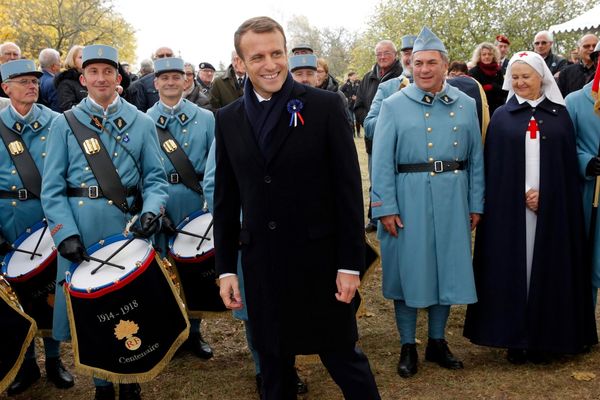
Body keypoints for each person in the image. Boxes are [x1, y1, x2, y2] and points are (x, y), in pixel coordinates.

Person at [214, 16, 380, 400]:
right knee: (273, 367)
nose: (270, 64)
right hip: (263, 266)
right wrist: (225, 269)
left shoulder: (323, 106)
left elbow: (347, 191)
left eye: (276, 53)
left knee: (343, 359)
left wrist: (349, 264)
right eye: (257, 57)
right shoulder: (227, 119)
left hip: (319, 262)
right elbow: (226, 201)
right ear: (240, 63)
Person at [41, 44, 169, 400]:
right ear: (83, 79)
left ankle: (131, 379)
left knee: (131, 305)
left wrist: (151, 213)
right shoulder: (64, 123)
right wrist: (64, 233)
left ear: (119, 79)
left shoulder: (141, 122)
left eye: (108, 72)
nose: (101, 78)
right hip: (81, 230)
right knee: (91, 312)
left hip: (126, 231)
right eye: (93, 72)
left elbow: (156, 181)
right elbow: (51, 190)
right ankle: (101, 383)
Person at [464, 51, 598, 363]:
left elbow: (566, 168)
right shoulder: (501, 117)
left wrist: (547, 194)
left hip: (552, 211)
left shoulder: (560, 116)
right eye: (516, 76)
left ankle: (546, 337)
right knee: (512, 268)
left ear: (542, 78)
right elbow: (495, 167)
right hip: (510, 211)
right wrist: (520, 193)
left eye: (527, 76)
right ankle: (514, 337)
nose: (521, 82)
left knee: (550, 266)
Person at [371, 27, 484, 379]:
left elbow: (475, 158)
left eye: (431, 63)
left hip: (453, 195)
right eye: (418, 62)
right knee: (409, 271)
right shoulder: (392, 105)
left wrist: (475, 201)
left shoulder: (465, 104)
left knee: (446, 269)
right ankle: (408, 344)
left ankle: (437, 341)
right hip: (409, 196)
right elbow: (381, 161)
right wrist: (385, 206)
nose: (423, 69)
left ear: (445, 65)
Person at [0, 59, 75, 396]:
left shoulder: (57, 122)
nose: (32, 86)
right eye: (23, 82)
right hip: (9, 216)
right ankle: (25, 362)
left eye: (34, 80)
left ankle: (55, 358)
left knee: (51, 290)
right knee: (17, 292)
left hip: (49, 214)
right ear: (6, 89)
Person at [146, 56, 214, 360]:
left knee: (194, 268)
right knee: (163, 269)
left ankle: (195, 333)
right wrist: (152, 209)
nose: (171, 82)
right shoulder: (142, 120)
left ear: (187, 81)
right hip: (159, 203)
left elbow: (216, 166)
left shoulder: (206, 118)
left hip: (194, 200)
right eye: (165, 78)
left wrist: (209, 205)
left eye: (177, 77)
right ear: (155, 83)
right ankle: (172, 334)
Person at [355, 39, 403, 233]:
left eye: (387, 53)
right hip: (372, 138)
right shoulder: (368, 77)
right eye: (379, 54)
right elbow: (358, 105)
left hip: (396, 139)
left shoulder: (402, 77)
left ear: (395, 55)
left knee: (393, 177)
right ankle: (374, 218)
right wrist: (369, 121)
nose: (382, 57)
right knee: (375, 179)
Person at [566, 42, 600, 305]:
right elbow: (565, 147)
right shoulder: (575, 101)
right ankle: (585, 322)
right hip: (589, 194)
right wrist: (585, 162)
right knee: (587, 260)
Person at [128, 46, 174, 112]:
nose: (165, 58)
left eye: (169, 55)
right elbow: (140, 113)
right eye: (161, 56)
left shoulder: (183, 79)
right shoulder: (142, 84)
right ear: (155, 60)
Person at [469, 42, 507, 116]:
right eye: (484, 54)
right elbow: (473, 94)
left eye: (490, 54)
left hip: (498, 110)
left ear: (493, 56)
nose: (487, 56)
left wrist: (492, 87)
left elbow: (505, 91)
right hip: (481, 111)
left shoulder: (498, 71)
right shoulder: (473, 72)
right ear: (479, 56)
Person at [54, 45, 87, 112]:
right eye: (81, 57)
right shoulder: (66, 82)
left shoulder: (90, 79)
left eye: (87, 57)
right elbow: (67, 107)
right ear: (72, 60)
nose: (85, 60)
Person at [341, 71, 361, 137]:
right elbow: (340, 92)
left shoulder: (359, 83)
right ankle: (353, 134)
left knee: (358, 120)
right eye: (354, 75)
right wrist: (345, 98)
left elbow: (362, 91)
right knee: (351, 120)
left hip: (356, 104)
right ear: (350, 77)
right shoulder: (346, 84)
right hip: (349, 105)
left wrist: (357, 97)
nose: (355, 77)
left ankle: (358, 133)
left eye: (355, 75)